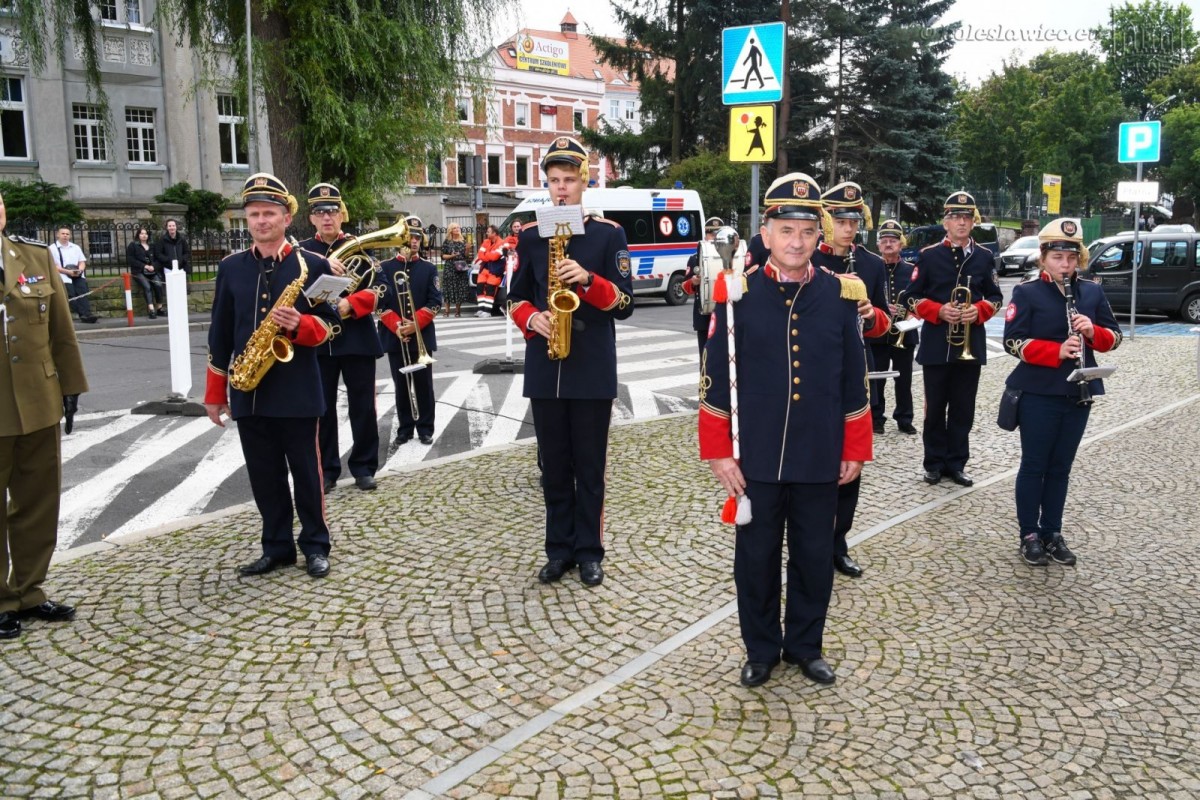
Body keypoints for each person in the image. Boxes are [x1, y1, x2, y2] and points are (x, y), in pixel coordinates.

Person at [700, 173, 872, 687]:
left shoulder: (841, 297)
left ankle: (805, 645)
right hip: (755, 455)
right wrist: (719, 452)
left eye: (806, 232)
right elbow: (714, 378)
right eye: (785, 230)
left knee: (815, 557)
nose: (797, 242)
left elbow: (853, 380)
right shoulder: (738, 295)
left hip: (821, 453)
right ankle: (760, 651)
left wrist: (855, 447)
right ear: (767, 233)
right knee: (755, 560)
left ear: (819, 237)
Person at [509, 136, 634, 588]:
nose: (561, 190)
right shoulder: (530, 235)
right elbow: (514, 297)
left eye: (569, 181)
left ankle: (589, 551)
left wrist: (587, 280)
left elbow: (624, 304)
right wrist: (531, 317)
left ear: (585, 181)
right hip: (546, 367)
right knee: (554, 469)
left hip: (591, 369)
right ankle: (558, 549)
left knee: (590, 467)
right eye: (554, 182)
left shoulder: (608, 234)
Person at [205, 173, 339, 579]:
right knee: (264, 476)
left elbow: (333, 324)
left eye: (269, 213)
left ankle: (316, 545)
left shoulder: (313, 265)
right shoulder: (231, 268)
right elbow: (219, 333)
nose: (261, 221)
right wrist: (215, 393)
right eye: (254, 214)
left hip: (297, 390)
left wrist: (301, 324)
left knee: (306, 475)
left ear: (286, 217)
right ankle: (276, 546)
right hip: (249, 392)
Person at [1002, 218, 1122, 567]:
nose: (1065, 265)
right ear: (1043, 258)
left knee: (1060, 467)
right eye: (1057, 258)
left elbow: (1114, 337)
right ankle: (1029, 534)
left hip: (1078, 391)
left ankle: (1052, 532)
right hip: (1039, 392)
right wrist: (1055, 351)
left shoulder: (1091, 291)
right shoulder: (1027, 292)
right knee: (1035, 464)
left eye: (1071, 259)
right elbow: (1013, 341)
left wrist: (1091, 330)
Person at [0, 191, 89, 641]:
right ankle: (1, 600)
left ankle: (29, 590)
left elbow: (61, 330)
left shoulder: (32, 256)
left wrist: (70, 389)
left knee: (38, 502)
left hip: (39, 402)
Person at [810, 182, 890, 580]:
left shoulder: (871, 265)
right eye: (840, 220)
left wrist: (871, 314)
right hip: (812, 375)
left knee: (850, 468)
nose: (847, 228)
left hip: (856, 375)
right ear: (825, 221)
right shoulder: (808, 258)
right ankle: (812, 543)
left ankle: (838, 543)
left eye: (853, 220)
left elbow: (885, 325)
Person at [899, 192, 1003, 487]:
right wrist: (938, 310)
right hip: (936, 344)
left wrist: (979, 310)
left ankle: (957, 463)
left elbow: (996, 296)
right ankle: (932, 463)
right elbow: (910, 295)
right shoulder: (930, 255)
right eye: (955, 217)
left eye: (966, 217)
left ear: (973, 222)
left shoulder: (983, 256)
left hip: (971, 344)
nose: (961, 222)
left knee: (963, 408)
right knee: (935, 408)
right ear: (946, 222)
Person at [298, 182, 383, 493]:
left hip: (357, 337)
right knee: (322, 408)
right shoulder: (304, 252)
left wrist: (351, 304)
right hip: (320, 341)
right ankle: (327, 470)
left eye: (332, 211)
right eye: (320, 212)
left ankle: (364, 467)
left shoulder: (361, 247)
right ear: (312, 218)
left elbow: (380, 290)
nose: (327, 218)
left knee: (363, 406)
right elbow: (297, 295)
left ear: (342, 214)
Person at [378, 227, 442, 446]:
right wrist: (397, 325)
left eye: (417, 238)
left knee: (424, 386)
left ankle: (425, 428)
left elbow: (435, 301)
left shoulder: (429, 268)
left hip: (420, 334)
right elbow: (380, 303)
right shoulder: (385, 268)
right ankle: (405, 428)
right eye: (409, 238)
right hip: (395, 335)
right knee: (401, 386)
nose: (413, 242)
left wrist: (415, 324)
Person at [870, 219, 918, 436]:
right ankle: (876, 418)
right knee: (876, 378)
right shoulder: (871, 267)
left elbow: (921, 296)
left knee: (904, 379)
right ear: (878, 245)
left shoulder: (912, 270)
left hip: (904, 333)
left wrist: (909, 312)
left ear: (901, 244)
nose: (888, 244)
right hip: (878, 333)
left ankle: (904, 418)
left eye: (893, 241)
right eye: (884, 241)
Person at [682, 216, 724, 357]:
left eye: (717, 235)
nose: (714, 238)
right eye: (711, 234)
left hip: (723, 313)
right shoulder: (695, 258)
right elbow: (683, 287)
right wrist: (693, 282)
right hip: (703, 315)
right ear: (705, 236)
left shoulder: (731, 256)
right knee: (705, 356)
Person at [52, 227, 98, 323]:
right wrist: (68, 272)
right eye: (63, 233)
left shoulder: (75, 247)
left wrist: (80, 270)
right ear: (58, 235)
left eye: (67, 234)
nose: (65, 235)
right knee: (71, 294)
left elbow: (82, 262)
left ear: (70, 236)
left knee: (83, 292)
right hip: (63, 275)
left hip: (77, 274)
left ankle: (87, 314)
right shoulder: (52, 249)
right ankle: (83, 314)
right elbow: (53, 266)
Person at [127, 226, 165, 319]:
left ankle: (159, 308)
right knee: (147, 286)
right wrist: (144, 266)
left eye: (146, 233)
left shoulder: (152, 246)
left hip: (152, 271)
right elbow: (130, 259)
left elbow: (158, 259)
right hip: (139, 271)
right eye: (142, 233)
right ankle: (151, 310)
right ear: (138, 235)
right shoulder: (133, 245)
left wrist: (153, 266)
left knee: (158, 285)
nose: (144, 235)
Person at [440, 223, 471, 317]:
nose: (457, 229)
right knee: (448, 288)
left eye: (458, 227)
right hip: (450, 266)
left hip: (461, 266)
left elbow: (466, 256)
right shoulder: (447, 241)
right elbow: (442, 256)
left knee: (460, 288)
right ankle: (447, 311)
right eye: (454, 228)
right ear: (451, 230)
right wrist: (452, 256)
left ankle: (458, 311)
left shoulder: (463, 241)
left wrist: (467, 250)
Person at [474, 224, 505, 317]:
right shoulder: (486, 241)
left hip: (495, 270)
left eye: (488, 232)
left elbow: (495, 257)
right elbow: (480, 255)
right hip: (484, 269)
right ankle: (481, 309)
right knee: (479, 288)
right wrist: (489, 254)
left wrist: (486, 254)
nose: (486, 233)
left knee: (490, 290)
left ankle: (487, 311)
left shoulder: (501, 243)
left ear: (494, 233)